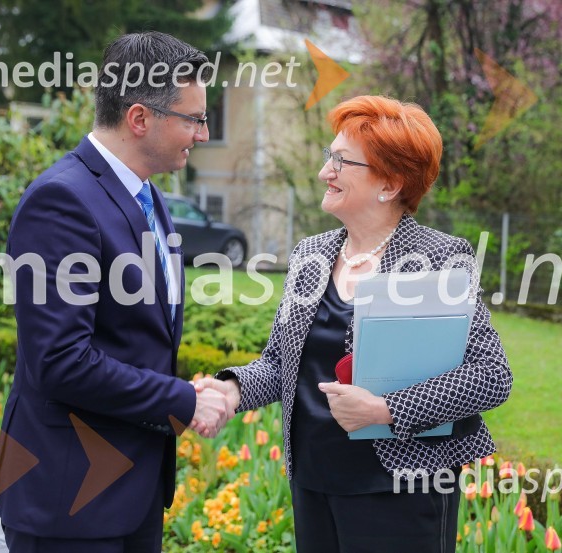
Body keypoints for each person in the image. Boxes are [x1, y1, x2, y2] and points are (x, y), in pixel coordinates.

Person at [196, 95, 512, 553]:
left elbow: (491, 376)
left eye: (342, 162)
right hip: (314, 482)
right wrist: (231, 389)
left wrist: (386, 410)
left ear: (389, 184)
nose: (326, 171)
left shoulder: (439, 260)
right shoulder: (311, 255)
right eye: (329, 157)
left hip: (400, 491)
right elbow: (280, 365)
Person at [0, 32, 235, 553]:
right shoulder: (62, 200)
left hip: (132, 493)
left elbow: (136, 337)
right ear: (140, 118)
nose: (204, 134)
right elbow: (60, 360)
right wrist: (181, 399)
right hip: (67, 499)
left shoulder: (149, 197)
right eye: (193, 119)